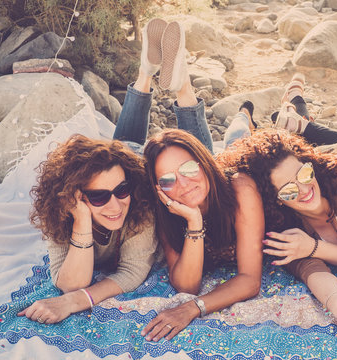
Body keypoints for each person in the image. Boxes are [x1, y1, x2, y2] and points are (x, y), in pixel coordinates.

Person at [110, 18, 264, 341]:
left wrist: (193, 308)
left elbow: (250, 280)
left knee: (223, 143)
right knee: (121, 159)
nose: (181, 185)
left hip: (221, 161)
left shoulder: (240, 189)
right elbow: (186, 284)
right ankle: (150, 72)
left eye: (190, 171)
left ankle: (176, 84)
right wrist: (193, 221)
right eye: (167, 181)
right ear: (158, 188)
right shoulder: (163, 202)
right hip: (152, 161)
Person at [216, 75, 337, 339]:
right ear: (275, 199)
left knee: (307, 133)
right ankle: (245, 115)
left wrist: (313, 247)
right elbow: (311, 270)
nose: (304, 189)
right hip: (316, 158)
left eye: (303, 174)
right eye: (288, 189)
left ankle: (296, 112)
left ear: (308, 166)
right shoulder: (280, 221)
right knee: (234, 148)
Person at [18, 135, 157, 324]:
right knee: (128, 132)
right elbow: (70, 284)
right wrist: (82, 220)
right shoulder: (60, 214)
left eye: (122, 190)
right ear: (73, 197)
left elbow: (132, 272)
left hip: (135, 154)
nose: (116, 207)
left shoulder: (140, 204)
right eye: (99, 197)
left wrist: (73, 302)